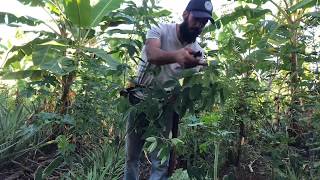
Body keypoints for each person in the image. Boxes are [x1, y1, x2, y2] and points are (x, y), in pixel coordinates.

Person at [124, 0, 214, 179]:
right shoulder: (160, 29)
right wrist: (177, 56)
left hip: (164, 108)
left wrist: (204, 76)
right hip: (138, 99)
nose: (199, 26)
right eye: (197, 19)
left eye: (204, 22)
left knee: (160, 161)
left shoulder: (198, 54)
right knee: (131, 157)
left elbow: (185, 92)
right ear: (185, 14)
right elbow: (152, 54)